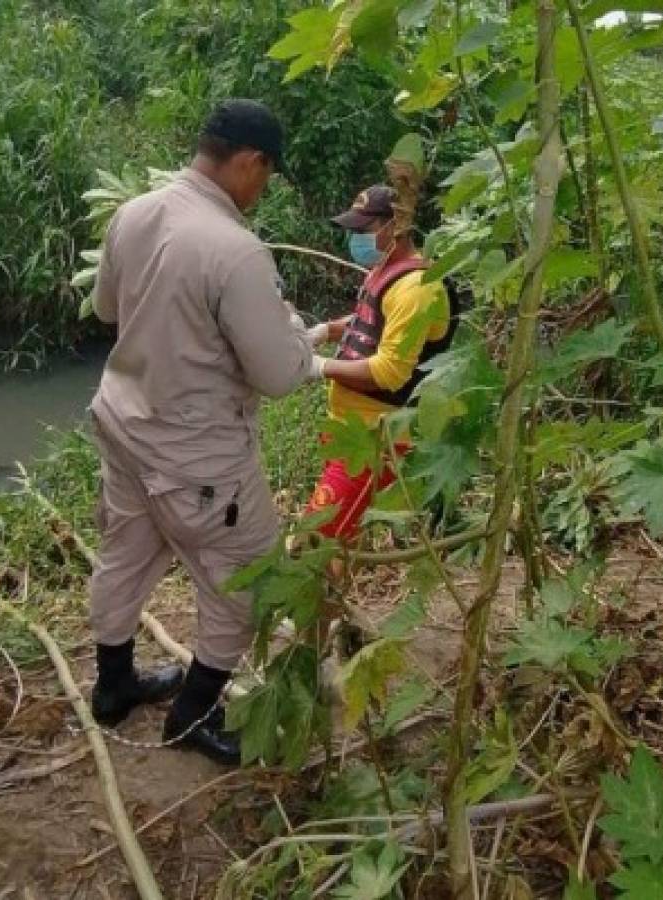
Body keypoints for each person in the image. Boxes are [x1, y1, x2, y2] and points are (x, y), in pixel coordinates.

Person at [86, 99, 318, 765]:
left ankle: (113, 685)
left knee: (125, 554)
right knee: (248, 578)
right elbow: (277, 376)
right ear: (250, 162)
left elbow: (107, 308)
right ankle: (192, 714)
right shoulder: (236, 251)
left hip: (124, 422)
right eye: (265, 176)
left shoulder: (134, 213)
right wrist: (295, 335)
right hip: (196, 454)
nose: (261, 191)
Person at [304, 184, 459, 544]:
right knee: (337, 546)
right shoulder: (387, 271)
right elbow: (369, 320)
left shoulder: (417, 288)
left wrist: (319, 367)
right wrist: (326, 331)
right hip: (350, 429)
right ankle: (331, 598)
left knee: (314, 545)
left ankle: (319, 598)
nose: (355, 238)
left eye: (364, 230)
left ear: (397, 226)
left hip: (378, 439)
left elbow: (390, 373)